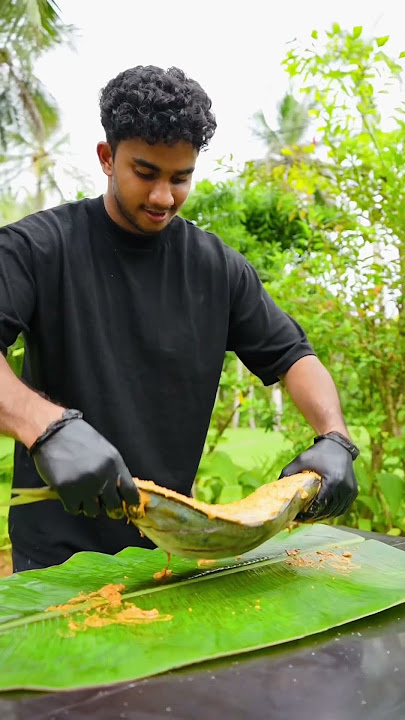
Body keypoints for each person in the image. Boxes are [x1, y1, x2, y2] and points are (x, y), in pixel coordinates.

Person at [0, 66, 359, 573]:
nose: (163, 197)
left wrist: (335, 437)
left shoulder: (218, 268)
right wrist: (47, 428)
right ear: (107, 158)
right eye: (145, 173)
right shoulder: (38, 247)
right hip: (58, 558)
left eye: (180, 177)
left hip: (172, 552)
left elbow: (292, 356)